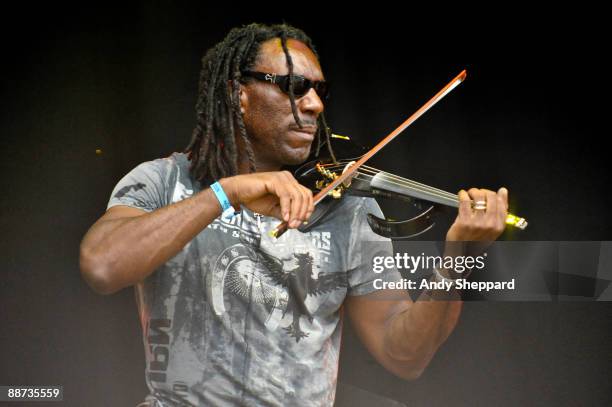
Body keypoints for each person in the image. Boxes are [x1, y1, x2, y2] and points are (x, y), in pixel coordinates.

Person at [79, 23, 508, 407]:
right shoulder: (166, 181)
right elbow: (103, 266)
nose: (315, 104)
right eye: (295, 87)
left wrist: (457, 262)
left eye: (320, 90)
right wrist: (226, 193)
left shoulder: (348, 208)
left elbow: (404, 356)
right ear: (238, 94)